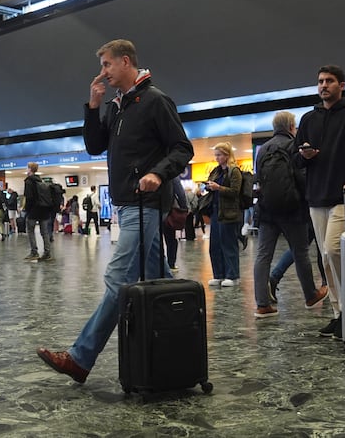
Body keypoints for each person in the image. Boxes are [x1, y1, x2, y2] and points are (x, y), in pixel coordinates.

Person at [37, 38, 193, 383]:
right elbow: (95, 146)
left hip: (147, 204)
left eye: (107, 64)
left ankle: (80, 359)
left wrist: (157, 173)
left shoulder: (155, 100)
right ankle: (182, 343)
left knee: (119, 279)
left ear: (126, 62)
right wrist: (93, 107)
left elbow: (183, 148)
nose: (103, 72)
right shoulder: (118, 105)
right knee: (160, 279)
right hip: (127, 204)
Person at [294, 64, 345, 339]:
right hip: (316, 196)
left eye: (329, 81)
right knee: (325, 259)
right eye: (320, 81)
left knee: (333, 250)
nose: (323, 85)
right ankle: (339, 313)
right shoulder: (308, 119)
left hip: (344, 196)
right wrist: (303, 156)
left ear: (341, 85)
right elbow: (296, 159)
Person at [253, 111, 328, 318]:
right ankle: (310, 295)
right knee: (300, 251)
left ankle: (262, 304)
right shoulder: (293, 146)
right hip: (293, 209)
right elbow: (301, 176)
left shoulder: (262, 150)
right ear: (291, 127)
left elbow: (259, 178)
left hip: (267, 209)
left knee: (263, 255)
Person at [205, 142, 243, 288]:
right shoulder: (216, 171)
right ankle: (218, 274)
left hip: (229, 212)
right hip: (215, 211)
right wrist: (209, 186)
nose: (217, 158)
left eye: (219, 155)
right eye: (216, 155)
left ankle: (232, 275)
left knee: (228, 244)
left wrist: (218, 188)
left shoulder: (234, 171)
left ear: (227, 155)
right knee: (214, 245)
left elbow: (235, 192)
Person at [23, 162, 53, 261]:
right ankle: (47, 253)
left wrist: (26, 210)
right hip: (44, 210)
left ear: (29, 169)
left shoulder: (28, 181)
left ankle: (34, 252)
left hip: (33, 210)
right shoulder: (40, 180)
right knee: (44, 232)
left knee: (30, 231)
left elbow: (29, 197)